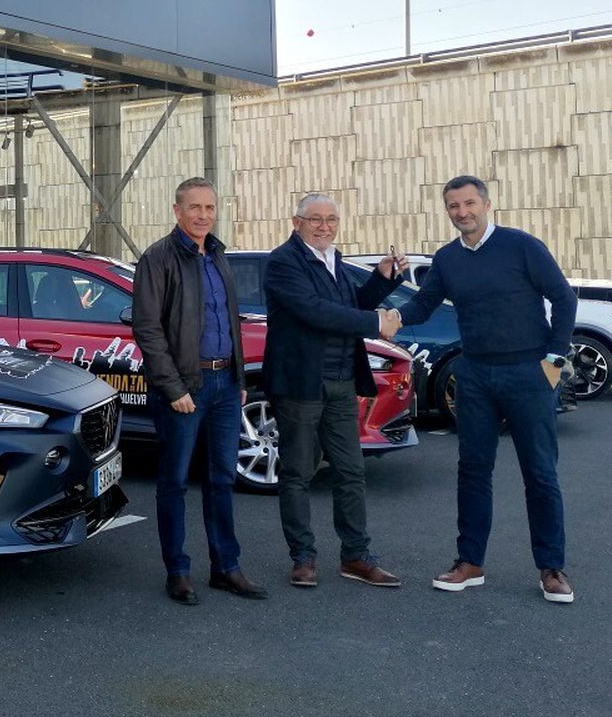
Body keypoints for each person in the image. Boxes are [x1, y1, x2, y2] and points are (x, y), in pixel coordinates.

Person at [394, 175, 578, 603]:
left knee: (540, 474)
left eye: (469, 203)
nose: (463, 212)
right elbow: (423, 304)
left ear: (487, 204)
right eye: (454, 206)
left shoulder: (522, 246)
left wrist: (553, 361)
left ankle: (551, 568)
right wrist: (388, 313)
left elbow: (563, 299)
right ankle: (470, 562)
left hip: (527, 373)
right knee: (473, 470)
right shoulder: (446, 259)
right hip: (474, 374)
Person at [132, 177, 266, 605]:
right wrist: (173, 387)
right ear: (177, 211)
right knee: (173, 482)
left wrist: (240, 381)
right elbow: (148, 330)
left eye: (210, 207)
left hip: (225, 385)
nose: (203, 215)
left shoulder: (219, 255)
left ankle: (226, 567)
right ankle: (178, 572)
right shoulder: (157, 258)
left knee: (221, 479)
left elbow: (230, 322)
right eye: (195, 207)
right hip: (185, 389)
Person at [262, 193, 406, 588]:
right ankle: (303, 557)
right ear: (297, 222)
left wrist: (381, 279)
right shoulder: (283, 262)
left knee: (350, 471)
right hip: (300, 385)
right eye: (315, 219)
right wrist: (376, 323)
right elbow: (314, 311)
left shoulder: (333, 260)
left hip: (342, 383)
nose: (324, 226)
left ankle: (356, 556)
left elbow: (348, 304)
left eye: (331, 219)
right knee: (298, 472)